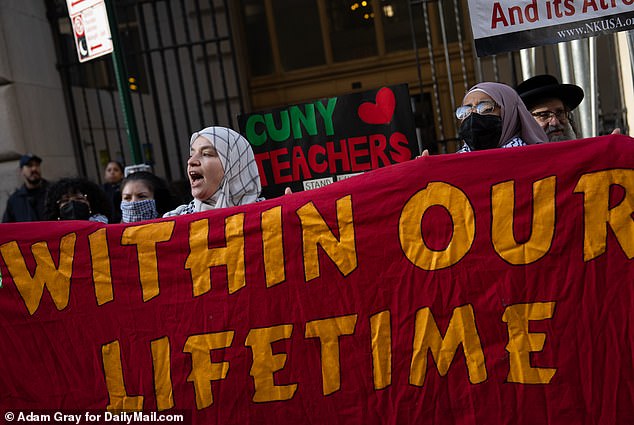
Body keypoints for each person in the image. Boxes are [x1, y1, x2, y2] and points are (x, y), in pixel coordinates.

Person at [164, 126, 262, 216]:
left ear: (235, 166)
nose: (191, 161)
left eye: (206, 154)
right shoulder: (173, 224)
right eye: (191, 155)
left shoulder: (268, 217)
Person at [455, 82, 548, 153]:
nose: (473, 115)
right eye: (465, 111)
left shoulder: (535, 157)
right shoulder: (453, 166)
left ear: (510, 114)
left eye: (486, 108)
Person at [515, 74, 585, 142]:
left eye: (560, 113)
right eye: (544, 115)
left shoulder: (586, 152)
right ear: (524, 121)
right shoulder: (515, 153)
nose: (555, 122)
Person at [2, 154, 49, 222]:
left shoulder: (52, 192)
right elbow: (7, 227)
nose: (34, 168)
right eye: (29, 165)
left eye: (37, 165)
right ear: (21, 170)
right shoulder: (14, 200)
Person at [44, 177, 112, 223]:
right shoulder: (53, 235)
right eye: (65, 200)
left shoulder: (104, 228)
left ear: (91, 204)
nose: (72, 203)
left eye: (79, 198)